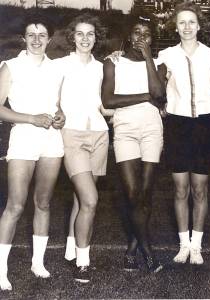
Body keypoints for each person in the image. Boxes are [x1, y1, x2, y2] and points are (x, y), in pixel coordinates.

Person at [0, 13, 65, 290]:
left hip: (52, 139)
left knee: (44, 202)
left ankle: (38, 263)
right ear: (23, 38)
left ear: (49, 39)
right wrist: (31, 119)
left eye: (42, 35)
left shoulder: (57, 69)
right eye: (31, 35)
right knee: (15, 204)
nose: (37, 40)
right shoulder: (10, 67)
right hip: (23, 137)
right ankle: (1, 269)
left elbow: (58, 105)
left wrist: (61, 115)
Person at [157, 2, 210, 265]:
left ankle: (197, 246)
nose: (187, 27)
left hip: (205, 125)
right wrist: (118, 54)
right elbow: (145, 74)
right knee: (180, 188)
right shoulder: (165, 54)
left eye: (191, 22)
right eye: (182, 22)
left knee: (200, 188)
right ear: (176, 27)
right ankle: (183, 245)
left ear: (199, 25)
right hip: (177, 124)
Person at [101, 15, 166, 273]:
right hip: (125, 130)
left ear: (152, 39)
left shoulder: (159, 64)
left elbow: (160, 95)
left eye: (146, 33)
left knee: (146, 194)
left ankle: (131, 249)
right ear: (128, 36)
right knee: (132, 194)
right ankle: (148, 253)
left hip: (152, 131)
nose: (141, 37)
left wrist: (149, 56)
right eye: (136, 32)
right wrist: (144, 97)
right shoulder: (113, 62)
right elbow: (108, 100)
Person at [55, 14, 112, 283]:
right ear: (72, 37)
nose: (85, 38)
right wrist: (56, 112)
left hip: (100, 134)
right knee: (90, 199)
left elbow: (106, 105)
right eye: (80, 34)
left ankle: (70, 246)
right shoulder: (60, 66)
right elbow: (50, 99)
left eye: (90, 34)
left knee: (81, 197)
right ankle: (83, 262)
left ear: (96, 37)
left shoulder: (103, 67)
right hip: (72, 135)